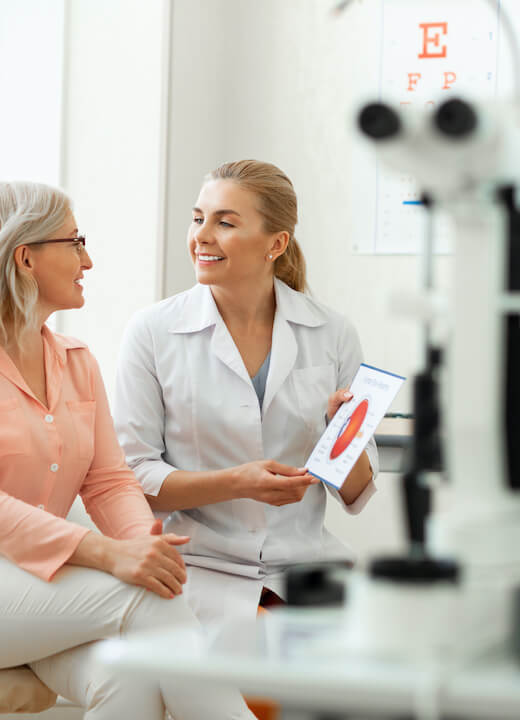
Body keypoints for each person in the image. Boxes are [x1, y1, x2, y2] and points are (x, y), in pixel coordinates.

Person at [0, 181, 256, 720]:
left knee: (128, 673)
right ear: (25, 257)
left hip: (20, 570)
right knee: (148, 601)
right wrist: (110, 555)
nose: (87, 260)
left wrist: (145, 547)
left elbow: (108, 481)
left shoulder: (75, 360)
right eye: (75, 242)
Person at [113, 159, 378, 626]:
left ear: (275, 244)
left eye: (225, 222)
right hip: (200, 567)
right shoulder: (153, 331)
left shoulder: (331, 332)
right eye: (198, 218)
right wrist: (237, 482)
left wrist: (344, 436)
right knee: (267, 676)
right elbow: (133, 478)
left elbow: (356, 492)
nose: (202, 236)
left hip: (307, 567)